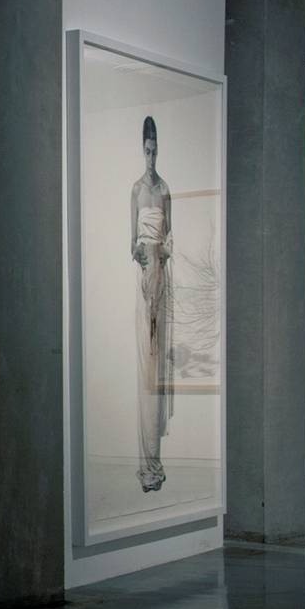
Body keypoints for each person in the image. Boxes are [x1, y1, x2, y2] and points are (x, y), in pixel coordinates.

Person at [130, 116, 174, 493]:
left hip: (162, 278)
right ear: (141, 149)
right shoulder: (136, 190)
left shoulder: (164, 190)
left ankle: (156, 463)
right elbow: (131, 244)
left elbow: (171, 238)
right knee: (145, 364)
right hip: (144, 279)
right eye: (147, 150)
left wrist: (160, 253)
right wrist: (143, 254)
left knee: (157, 364)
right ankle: (147, 465)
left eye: (155, 150)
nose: (151, 156)